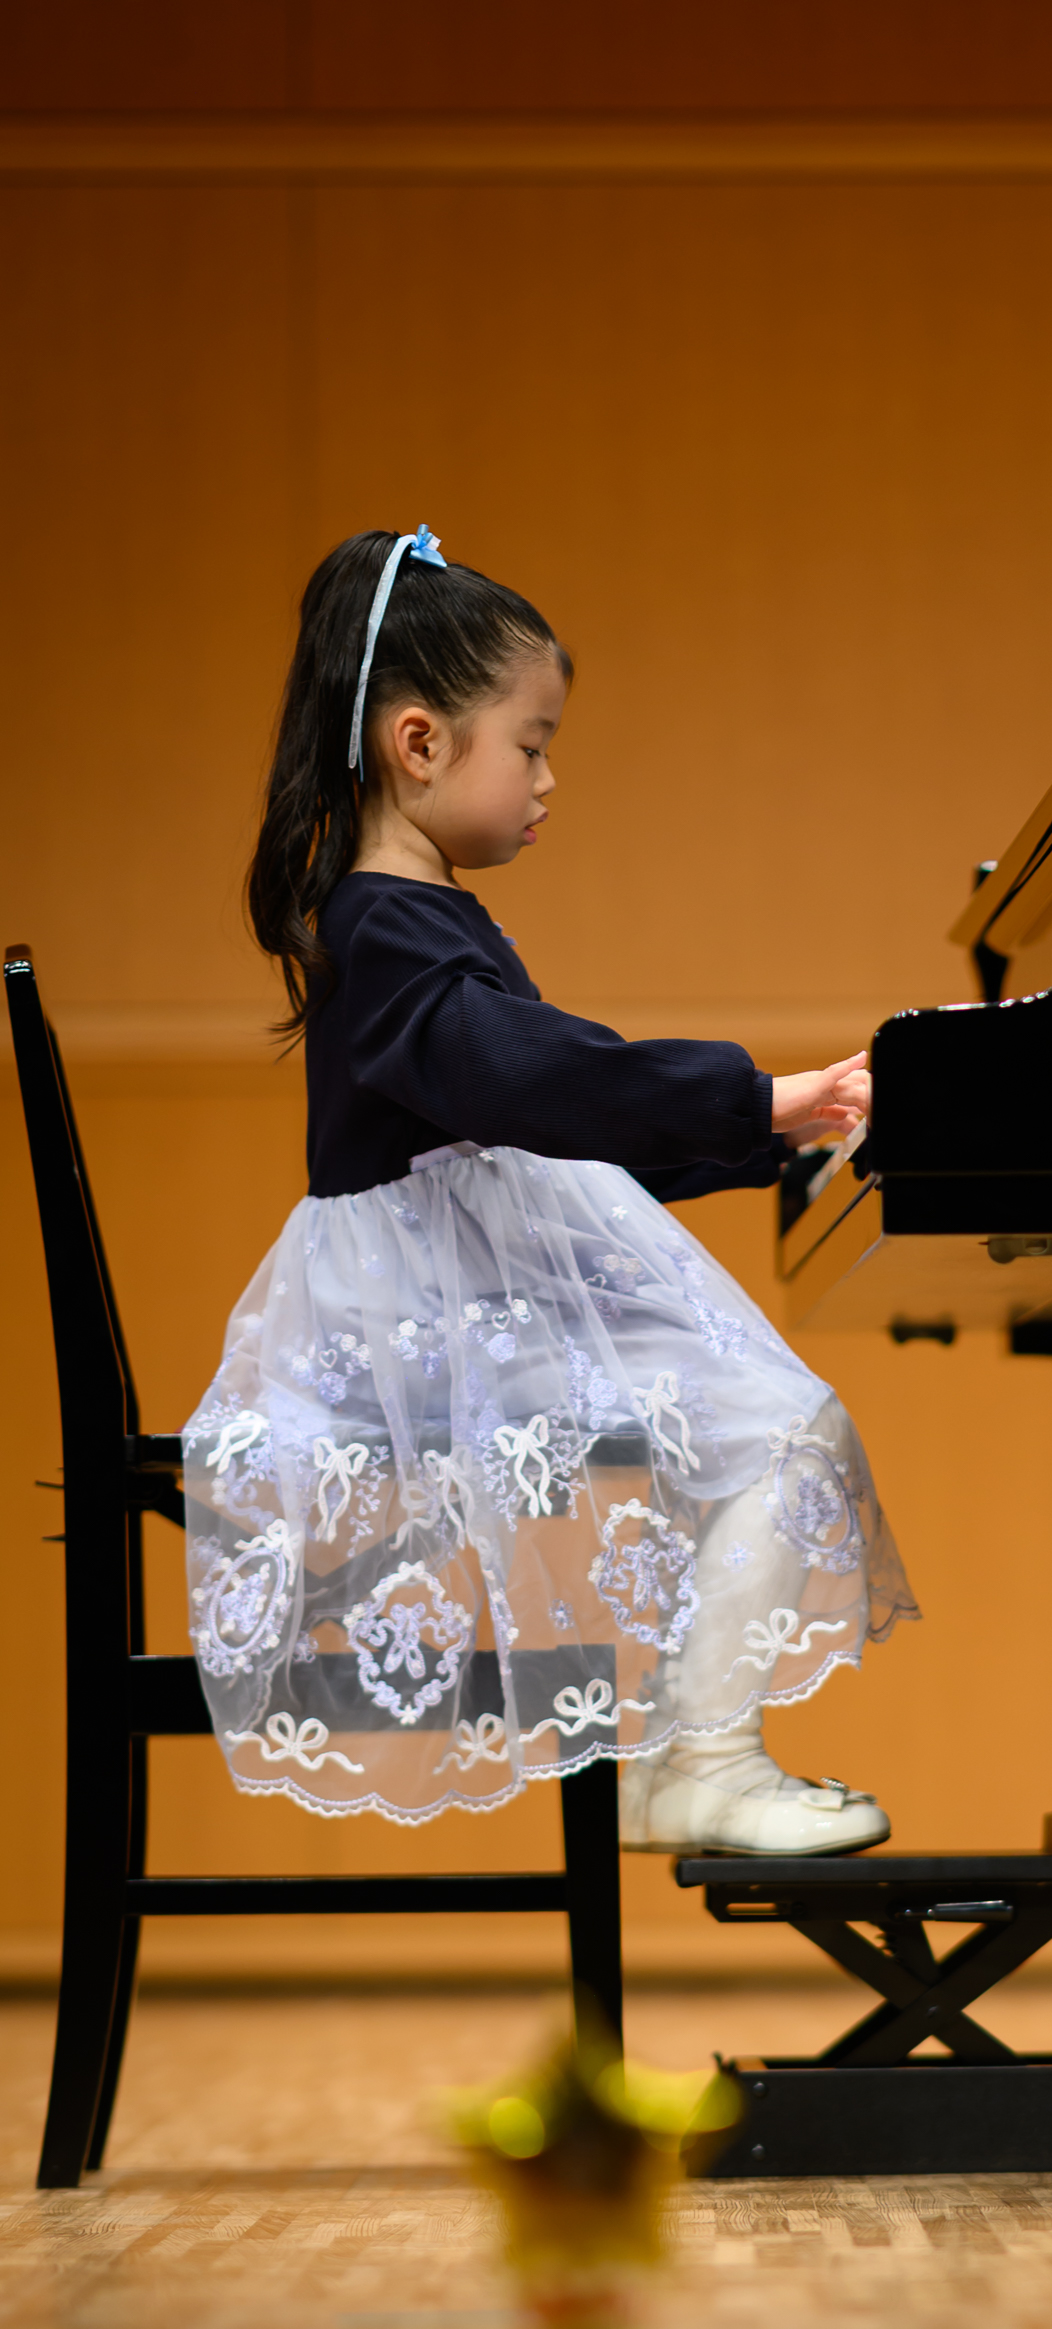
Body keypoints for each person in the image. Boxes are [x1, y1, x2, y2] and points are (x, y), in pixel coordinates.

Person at [183, 525, 916, 1849]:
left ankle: (690, 1757)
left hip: (463, 1312)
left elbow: (558, 1134)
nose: (547, 777)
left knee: (774, 1428)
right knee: (783, 1429)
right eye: (530, 744)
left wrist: (775, 1135)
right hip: (428, 1339)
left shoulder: (408, 925)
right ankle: (701, 1759)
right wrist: (758, 1097)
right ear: (419, 744)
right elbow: (538, 1085)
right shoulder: (388, 926)